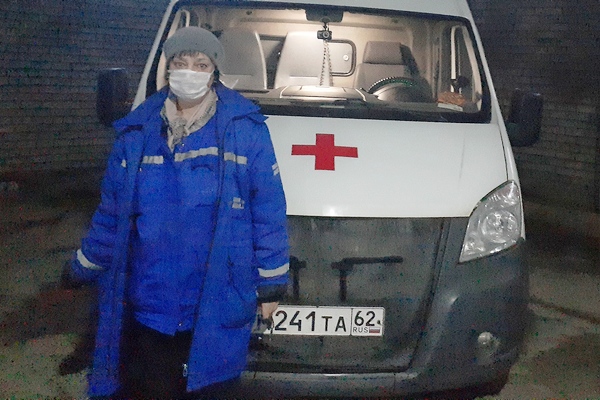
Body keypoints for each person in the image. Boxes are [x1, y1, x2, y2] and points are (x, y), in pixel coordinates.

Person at [69, 26, 290, 399]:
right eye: (181, 62)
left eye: (201, 64)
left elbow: (267, 210)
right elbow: (111, 215)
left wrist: (271, 283)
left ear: (214, 72)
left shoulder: (244, 131)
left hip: (215, 298)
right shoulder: (136, 133)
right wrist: (82, 265)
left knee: (210, 387)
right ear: (168, 68)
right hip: (149, 303)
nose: (190, 71)